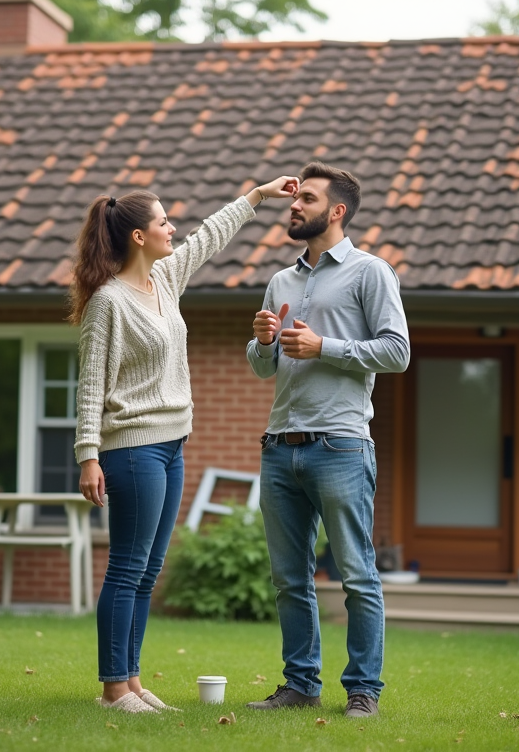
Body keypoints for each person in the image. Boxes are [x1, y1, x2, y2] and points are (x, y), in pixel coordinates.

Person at [71, 175, 300, 714]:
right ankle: (112, 689)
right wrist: (88, 456)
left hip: (173, 444)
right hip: (131, 449)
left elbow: (210, 235)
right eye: (163, 221)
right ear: (137, 236)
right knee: (127, 568)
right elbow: (90, 385)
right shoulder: (108, 302)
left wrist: (259, 196)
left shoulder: (165, 279)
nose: (174, 228)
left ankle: (131, 681)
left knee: (149, 570)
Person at [245, 161, 410, 719]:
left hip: (340, 445)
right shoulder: (281, 280)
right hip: (279, 446)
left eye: (307, 199)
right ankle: (300, 685)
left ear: (336, 211)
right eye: (295, 199)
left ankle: (363, 690)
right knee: (290, 581)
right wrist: (261, 342)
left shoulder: (370, 273)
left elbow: (397, 352)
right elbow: (264, 370)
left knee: (357, 575)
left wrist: (327, 347)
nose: (294, 206)